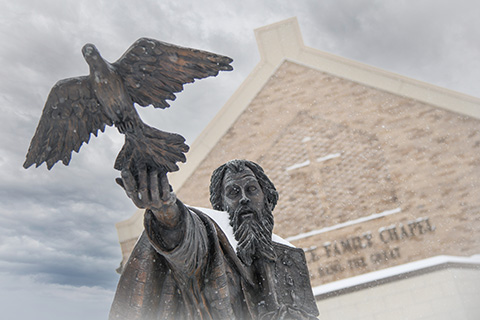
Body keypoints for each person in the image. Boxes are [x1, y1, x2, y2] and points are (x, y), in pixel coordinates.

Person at [109, 159, 319, 320]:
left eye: (252, 189)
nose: (244, 198)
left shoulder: (288, 259)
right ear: (221, 206)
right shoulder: (212, 247)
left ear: (267, 198)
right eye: (233, 192)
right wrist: (165, 209)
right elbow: (185, 235)